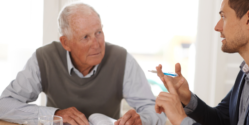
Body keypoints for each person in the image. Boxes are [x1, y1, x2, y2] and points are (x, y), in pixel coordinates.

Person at [0, 3, 165, 125]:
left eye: (98, 32)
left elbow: (155, 110)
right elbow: (4, 105)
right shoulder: (44, 58)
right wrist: (55, 115)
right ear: (66, 43)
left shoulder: (122, 59)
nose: (97, 44)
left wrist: (141, 120)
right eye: (85, 37)